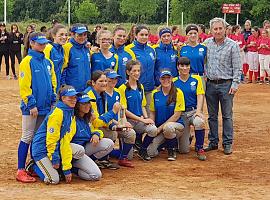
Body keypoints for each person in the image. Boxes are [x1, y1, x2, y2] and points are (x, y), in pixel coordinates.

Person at [16, 32, 56, 183]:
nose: (43, 45)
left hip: (45, 107)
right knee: (27, 136)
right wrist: (31, 104)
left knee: (38, 138)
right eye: (40, 43)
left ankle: (32, 166)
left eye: (44, 43)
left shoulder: (47, 62)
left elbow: (53, 82)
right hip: (31, 108)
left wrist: (52, 99)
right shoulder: (27, 61)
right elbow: (24, 86)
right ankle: (20, 170)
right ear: (31, 43)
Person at [204, 18, 242, 155]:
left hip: (226, 84)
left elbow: (238, 67)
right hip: (210, 84)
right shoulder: (206, 44)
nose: (218, 31)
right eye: (215, 29)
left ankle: (227, 143)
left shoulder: (233, 45)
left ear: (225, 29)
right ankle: (213, 142)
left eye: (220, 28)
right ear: (211, 30)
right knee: (212, 116)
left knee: (227, 116)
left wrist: (235, 84)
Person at [84, 70, 135, 168]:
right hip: (90, 130)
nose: (104, 83)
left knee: (129, 133)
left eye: (105, 81)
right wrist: (113, 113)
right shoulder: (90, 95)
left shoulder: (102, 94)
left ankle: (120, 157)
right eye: (101, 81)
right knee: (113, 133)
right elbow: (97, 122)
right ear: (93, 82)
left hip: (103, 125)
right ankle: (99, 159)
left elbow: (104, 116)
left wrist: (115, 125)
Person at [31, 85, 78, 184]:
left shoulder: (70, 111)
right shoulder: (58, 113)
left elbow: (64, 140)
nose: (74, 100)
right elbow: (51, 139)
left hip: (54, 147)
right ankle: (33, 166)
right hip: (41, 149)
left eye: (75, 97)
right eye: (70, 97)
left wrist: (66, 167)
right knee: (53, 180)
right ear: (63, 98)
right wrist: (55, 159)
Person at [118, 60, 158, 161]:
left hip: (139, 120)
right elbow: (124, 111)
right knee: (129, 157)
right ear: (128, 72)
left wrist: (146, 118)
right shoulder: (123, 88)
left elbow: (142, 105)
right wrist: (142, 120)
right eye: (134, 71)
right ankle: (113, 153)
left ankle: (142, 149)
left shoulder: (141, 87)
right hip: (128, 122)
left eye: (138, 71)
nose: (137, 73)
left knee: (153, 129)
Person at [71, 93, 115, 180]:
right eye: (83, 103)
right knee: (96, 175)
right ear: (77, 105)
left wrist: (96, 134)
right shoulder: (72, 119)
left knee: (108, 143)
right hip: (73, 153)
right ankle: (73, 168)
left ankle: (89, 161)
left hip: (83, 149)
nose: (87, 105)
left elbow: (94, 130)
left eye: (88, 103)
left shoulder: (86, 117)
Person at [147, 70, 185, 161]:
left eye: (168, 78)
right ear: (159, 80)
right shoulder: (155, 94)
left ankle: (171, 150)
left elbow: (176, 116)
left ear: (172, 79)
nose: (166, 80)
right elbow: (152, 112)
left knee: (168, 127)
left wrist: (159, 128)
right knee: (150, 152)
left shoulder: (178, 92)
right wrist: (152, 126)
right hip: (160, 128)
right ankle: (165, 143)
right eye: (163, 78)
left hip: (175, 126)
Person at [173, 57, 207, 161]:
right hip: (181, 114)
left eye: (187, 65)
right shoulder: (174, 81)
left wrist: (198, 111)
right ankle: (187, 138)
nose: (184, 68)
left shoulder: (196, 79)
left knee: (199, 122)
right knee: (184, 150)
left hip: (193, 111)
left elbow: (200, 95)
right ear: (178, 67)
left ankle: (199, 147)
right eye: (182, 66)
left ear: (189, 67)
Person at [125, 25, 156, 115]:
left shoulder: (152, 50)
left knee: (149, 116)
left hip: (149, 89)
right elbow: (128, 70)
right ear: (136, 35)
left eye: (146, 35)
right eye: (141, 34)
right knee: (136, 116)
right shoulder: (129, 49)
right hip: (135, 89)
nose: (144, 37)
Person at [62, 23, 91, 92]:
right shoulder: (67, 47)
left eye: (85, 35)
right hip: (72, 90)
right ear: (72, 34)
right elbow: (63, 69)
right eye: (80, 35)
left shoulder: (86, 47)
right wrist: (63, 86)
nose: (83, 37)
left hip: (86, 89)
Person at [44, 24, 68, 92]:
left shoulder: (62, 49)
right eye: (61, 34)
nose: (64, 37)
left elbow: (62, 69)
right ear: (54, 36)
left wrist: (62, 84)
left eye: (66, 35)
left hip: (58, 86)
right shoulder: (48, 48)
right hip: (49, 87)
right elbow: (45, 70)